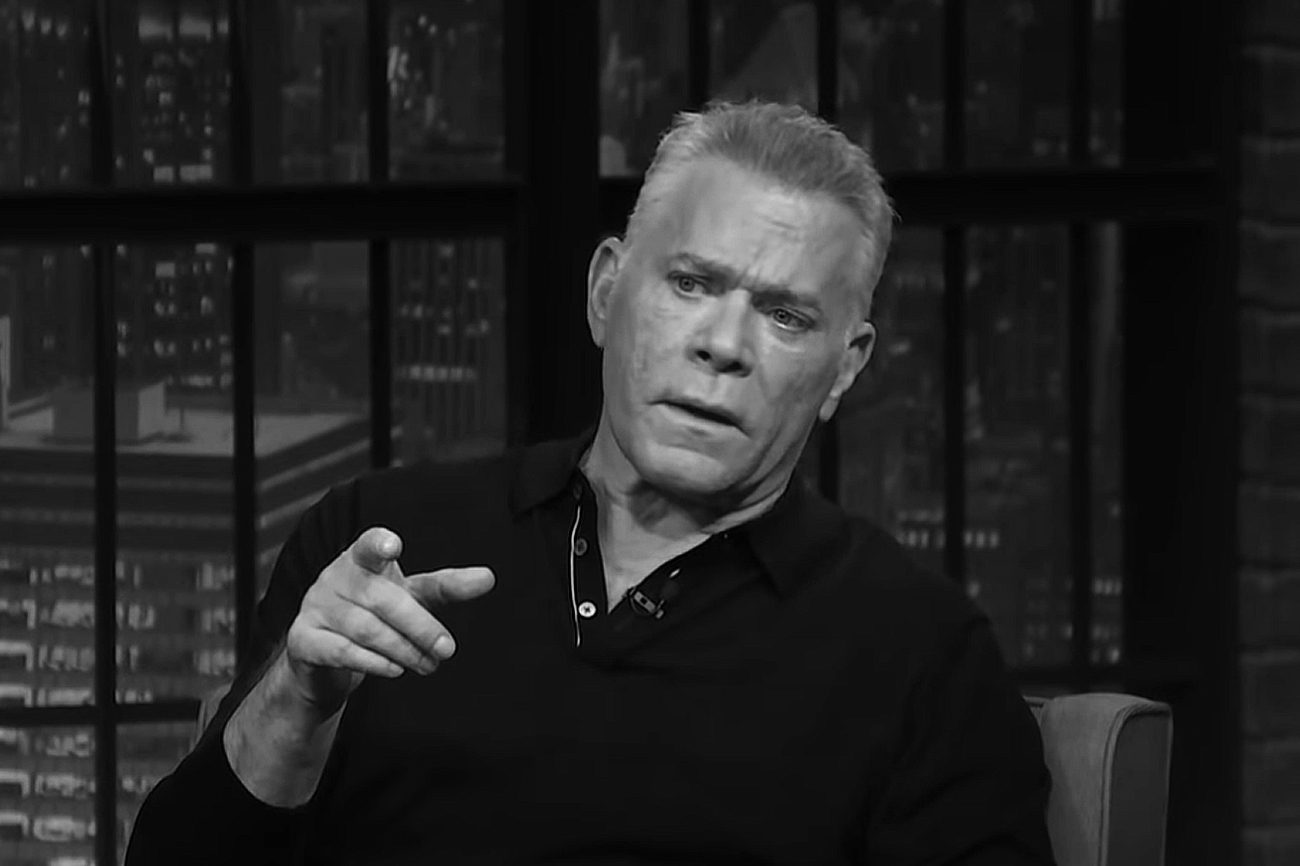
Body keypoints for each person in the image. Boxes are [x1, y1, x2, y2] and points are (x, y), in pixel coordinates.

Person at [125, 100, 1055, 866]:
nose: (723, 345)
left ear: (845, 368)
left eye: (784, 315)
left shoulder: (920, 653)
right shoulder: (381, 543)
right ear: (607, 292)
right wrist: (296, 699)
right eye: (691, 284)